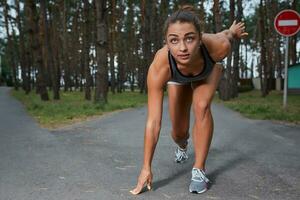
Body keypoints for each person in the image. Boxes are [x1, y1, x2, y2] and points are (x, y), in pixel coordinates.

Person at [130, 5, 248, 195]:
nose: (183, 47)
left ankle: (199, 170)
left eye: (190, 38)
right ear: (166, 43)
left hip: (207, 70)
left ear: (200, 39)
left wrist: (232, 32)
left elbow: (225, 35)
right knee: (179, 131)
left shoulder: (218, 47)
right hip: (177, 77)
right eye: (174, 40)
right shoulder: (160, 65)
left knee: (201, 106)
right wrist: (146, 166)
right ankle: (182, 145)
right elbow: (153, 122)